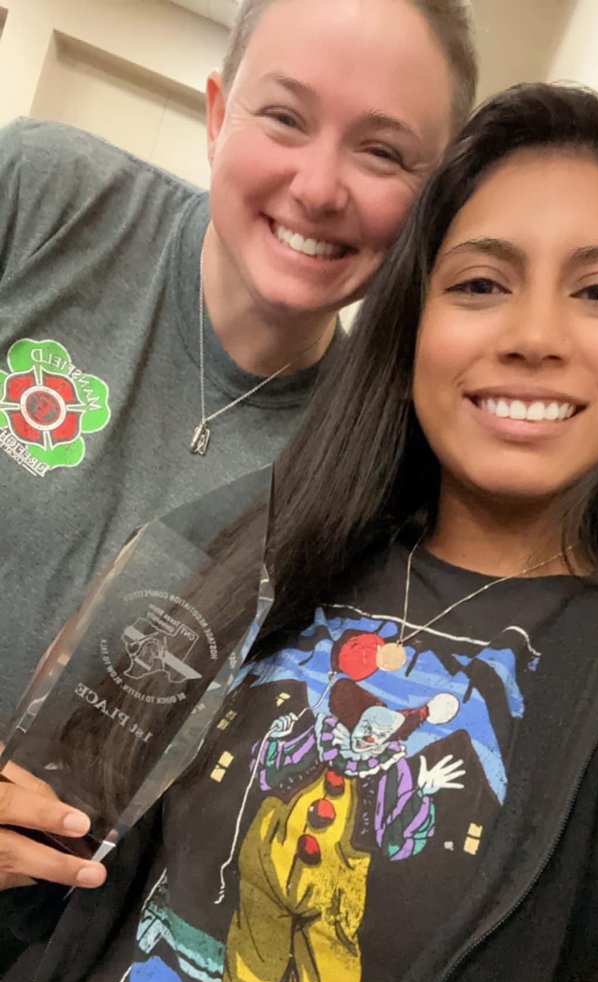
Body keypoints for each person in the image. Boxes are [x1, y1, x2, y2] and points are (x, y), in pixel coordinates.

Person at [2, 80, 598, 982]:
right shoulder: (272, 542)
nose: (534, 337)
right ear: (413, 319)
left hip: (335, 884)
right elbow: (61, 857)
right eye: (480, 283)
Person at [0, 0, 476, 729]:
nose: (317, 189)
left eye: (382, 152)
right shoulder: (42, 196)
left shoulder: (382, 464)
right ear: (219, 117)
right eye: (285, 117)